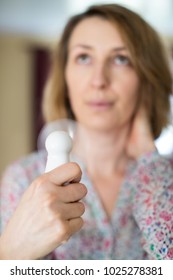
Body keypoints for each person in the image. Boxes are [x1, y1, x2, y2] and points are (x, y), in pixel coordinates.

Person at [0, 3, 173, 260]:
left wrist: (150, 161)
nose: (98, 80)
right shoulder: (24, 177)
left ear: (146, 78)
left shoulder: (165, 177)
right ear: (65, 76)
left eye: (120, 59)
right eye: (83, 57)